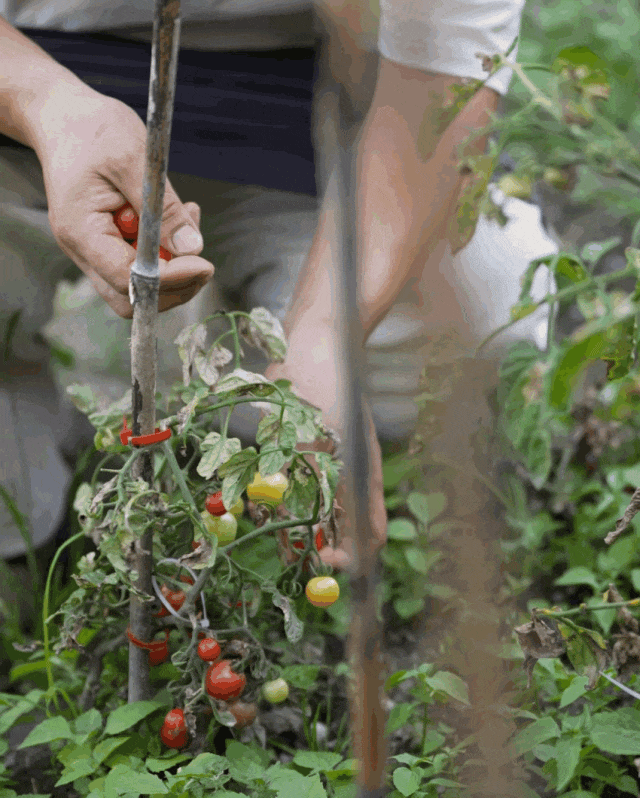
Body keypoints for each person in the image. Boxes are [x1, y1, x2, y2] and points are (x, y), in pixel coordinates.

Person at [0, 0, 527, 569]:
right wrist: (44, 105)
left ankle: (223, 393)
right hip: (38, 68)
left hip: (305, 108)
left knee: (473, 322)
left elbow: (442, 73)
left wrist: (326, 334)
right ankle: (33, 474)